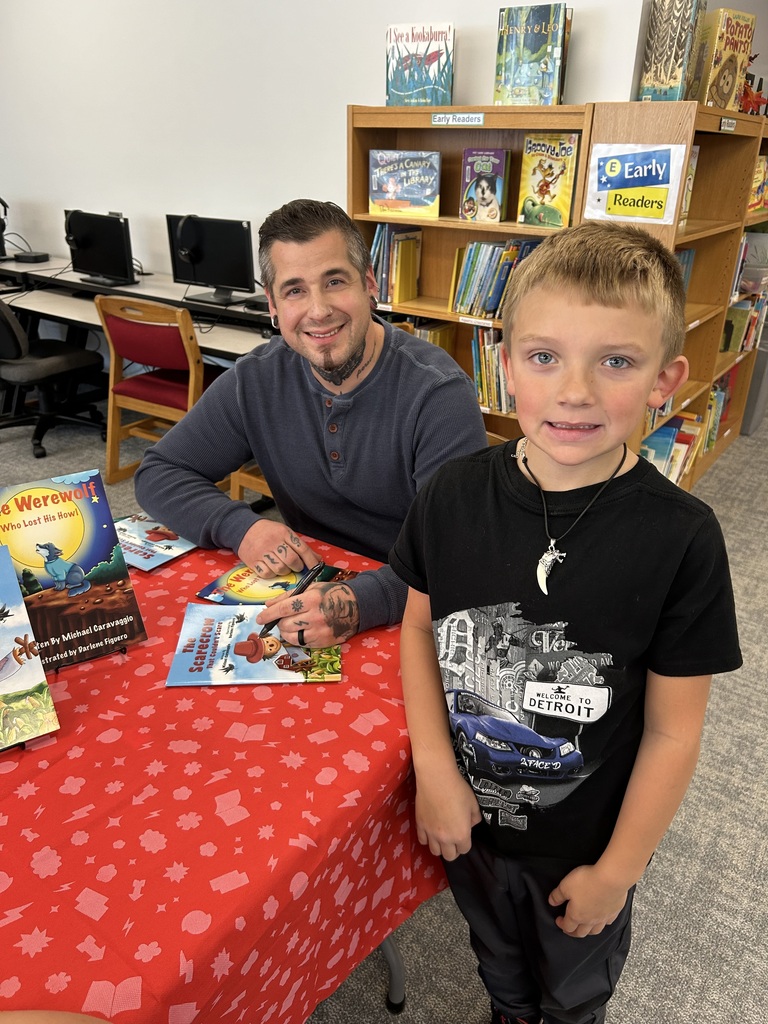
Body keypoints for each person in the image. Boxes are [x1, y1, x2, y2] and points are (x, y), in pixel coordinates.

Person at [389, 221, 742, 1024]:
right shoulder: (449, 496)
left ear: (665, 378)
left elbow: (673, 734)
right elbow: (418, 628)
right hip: (475, 828)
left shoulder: (682, 538)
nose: (574, 390)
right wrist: (436, 770)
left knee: (574, 992)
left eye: (615, 361)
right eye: (545, 356)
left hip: (587, 841)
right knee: (500, 971)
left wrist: (619, 871)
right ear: (504, 362)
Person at [134, 199, 487, 648]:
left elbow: (457, 558)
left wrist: (360, 601)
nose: (318, 310)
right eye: (295, 290)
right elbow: (160, 472)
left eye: (334, 282)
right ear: (273, 306)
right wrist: (242, 528)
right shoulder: (256, 378)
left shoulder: (438, 395)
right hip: (303, 594)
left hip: (411, 610)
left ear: (369, 285)